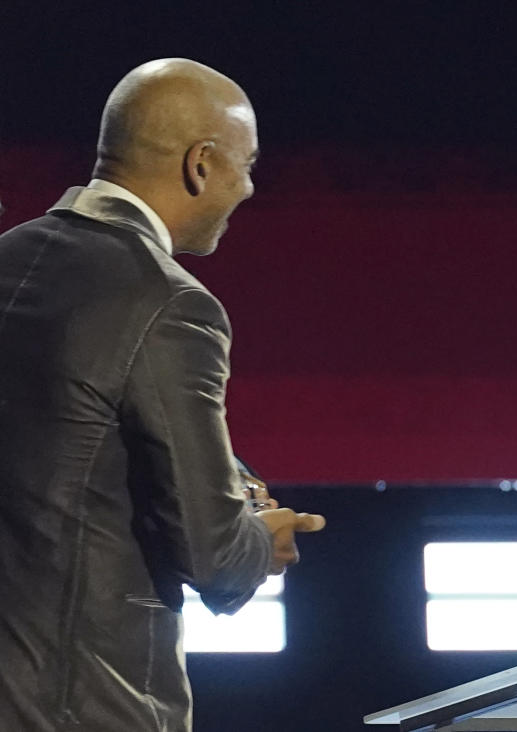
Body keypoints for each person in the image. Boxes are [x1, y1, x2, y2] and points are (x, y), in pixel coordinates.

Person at [0, 58, 324, 731]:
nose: (250, 187)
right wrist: (264, 541)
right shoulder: (171, 304)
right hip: (86, 710)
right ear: (201, 164)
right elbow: (215, 556)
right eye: (248, 163)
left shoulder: (9, 259)